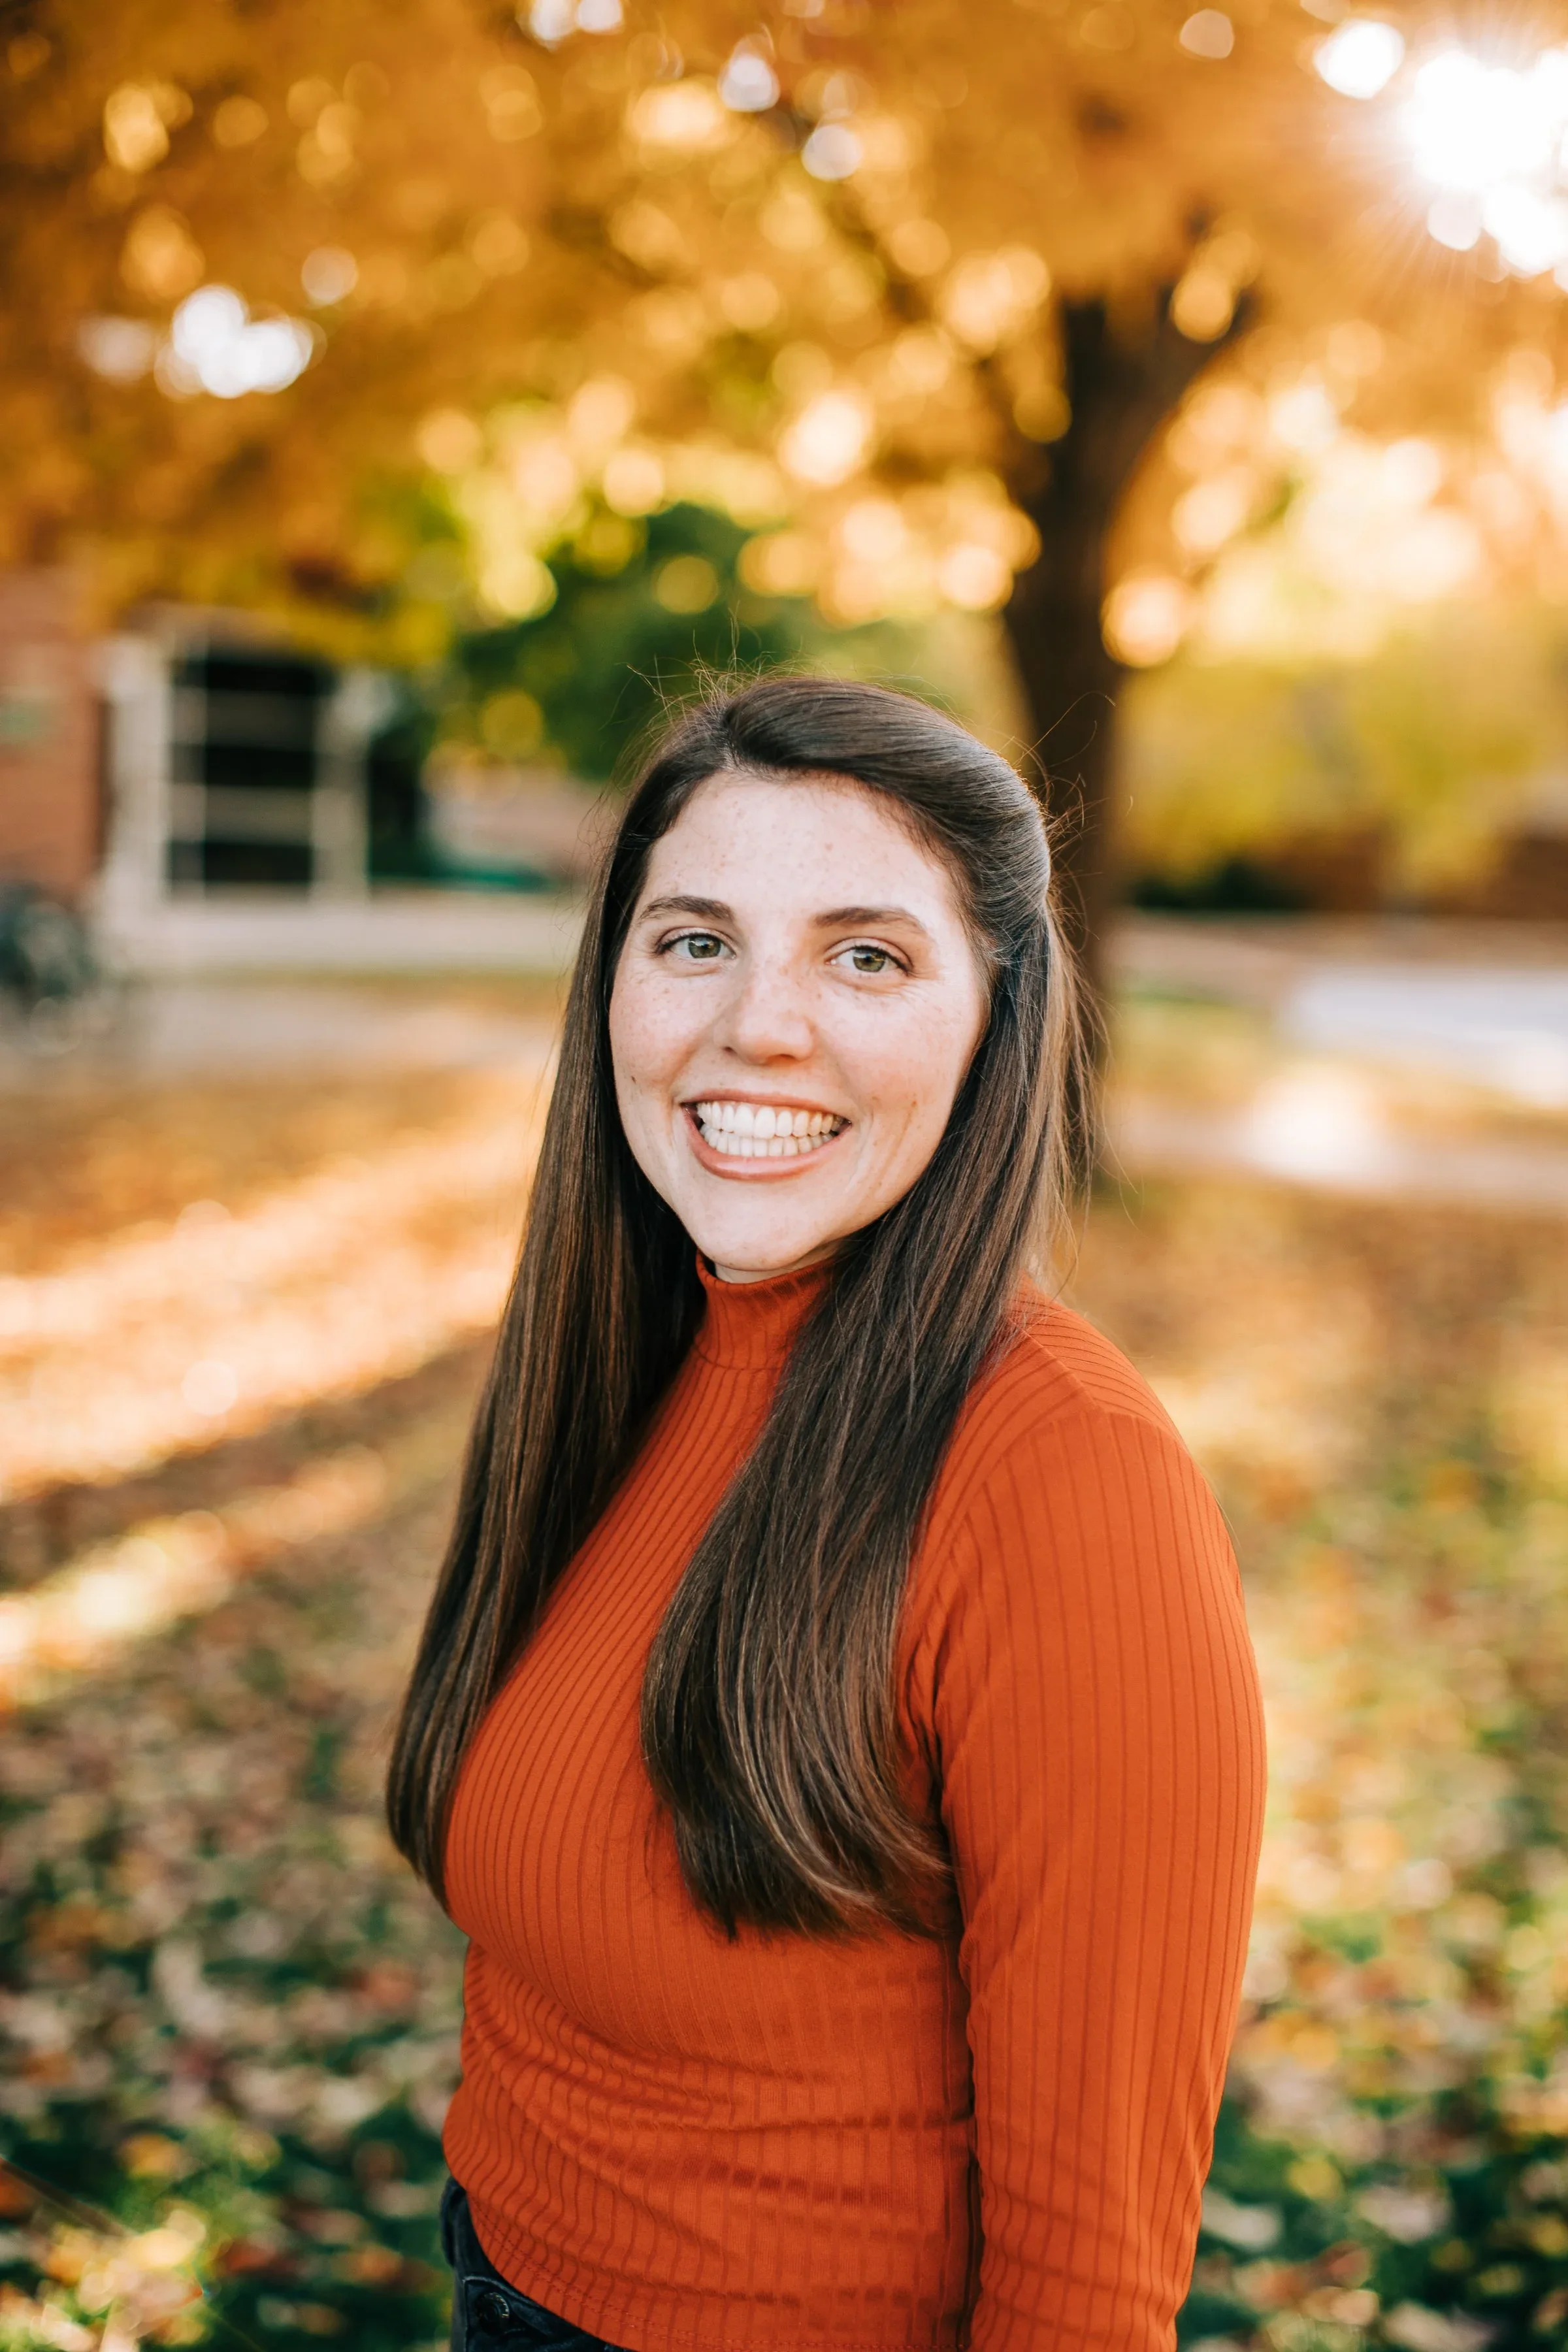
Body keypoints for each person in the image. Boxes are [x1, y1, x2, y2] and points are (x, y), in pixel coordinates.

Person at [387, 677, 1266, 2352]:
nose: (758, 1028)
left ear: (996, 1016)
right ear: (614, 988)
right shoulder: (628, 1354)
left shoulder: (1065, 1478)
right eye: (695, 940)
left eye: (866, 955)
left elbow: (1089, 2298)